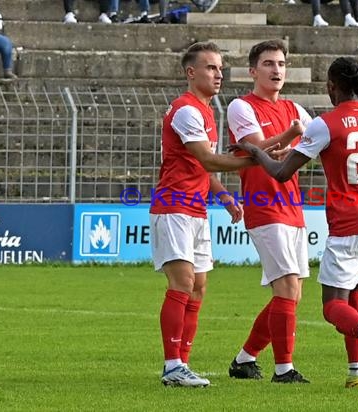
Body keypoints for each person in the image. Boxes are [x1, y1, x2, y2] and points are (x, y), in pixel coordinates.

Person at [230, 56, 358, 388]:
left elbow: (281, 172)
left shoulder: (327, 122)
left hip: (350, 222)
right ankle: (354, 376)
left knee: (334, 304)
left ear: (332, 86)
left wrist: (253, 151)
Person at [150, 41, 255, 387]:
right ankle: (171, 366)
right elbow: (209, 159)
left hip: (195, 208)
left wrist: (224, 195)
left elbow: (203, 166)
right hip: (175, 207)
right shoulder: (186, 110)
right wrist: (254, 160)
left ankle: (182, 363)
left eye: (220, 68)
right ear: (191, 72)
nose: (218, 73)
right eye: (211, 67)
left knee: (198, 288)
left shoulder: (206, 111)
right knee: (182, 283)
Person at [226, 39, 312, 384]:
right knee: (287, 288)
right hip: (264, 204)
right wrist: (290, 135)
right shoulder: (241, 106)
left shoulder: (296, 107)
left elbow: (310, 148)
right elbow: (257, 149)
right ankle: (284, 370)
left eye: (280, 64)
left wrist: (286, 145)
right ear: (253, 70)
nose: (277, 70)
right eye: (268, 64)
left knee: (292, 292)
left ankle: (244, 360)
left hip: (292, 205)